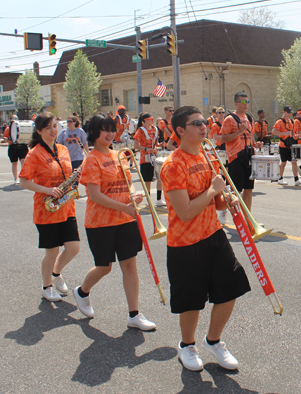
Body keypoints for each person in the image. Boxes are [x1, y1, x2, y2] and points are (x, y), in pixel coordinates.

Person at [160, 105, 251, 371]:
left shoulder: (206, 156)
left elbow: (218, 203)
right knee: (191, 301)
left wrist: (226, 198)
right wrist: (213, 191)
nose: (203, 127)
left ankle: (214, 341)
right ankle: (187, 346)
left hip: (214, 235)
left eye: (203, 122)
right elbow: (185, 212)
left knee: (231, 288)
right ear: (180, 130)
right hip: (185, 243)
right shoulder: (173, 165)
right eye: (196, 123)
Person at [73, 113, 156, 331]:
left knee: (129, 265)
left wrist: (134, 196)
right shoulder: (91, 159)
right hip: (100, 223)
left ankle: (134, 314)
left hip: (126, 219)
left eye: (112, 129)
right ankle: (82, 291)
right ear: (94, 133)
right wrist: (125, 207)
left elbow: (128, 185)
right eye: (104, 129)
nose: (110, 134)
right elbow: (95, 195)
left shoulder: (120, 155)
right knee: (105, 267)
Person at [19, 112, 80, 302]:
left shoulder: (63, 149)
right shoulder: (34, 153)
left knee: (74, 247)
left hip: (66, 206)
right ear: (39, 131)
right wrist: (47, 189)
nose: (53, 130)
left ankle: (56, 273)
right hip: (46, 209)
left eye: (54, 126)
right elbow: (23, 181)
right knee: (52, 251)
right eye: (48, 127)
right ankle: (46, 287)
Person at [221, 92, 262, 210]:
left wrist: (255, 144)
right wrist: (239, 132)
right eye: (243, 102)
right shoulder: (229, 119)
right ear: (236, 103)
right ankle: (230, 213)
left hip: (249, 156)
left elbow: (251, 136)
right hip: (236, 158)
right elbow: (223, 138)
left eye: (247, 102)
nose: (245, 104)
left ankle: (248, 219)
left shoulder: (249, 118)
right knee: (236, 191)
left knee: (249, 189)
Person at [272, 106, 301, 186]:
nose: (289, 114)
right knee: (283, 163)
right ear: (284, 111)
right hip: (283, 145)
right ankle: (280, 178)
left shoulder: (291, 121)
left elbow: (292, 132)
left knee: (294, 162)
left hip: (290, 145)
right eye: (288, 112)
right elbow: (274, 131)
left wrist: (296, 136)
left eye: (290, 112)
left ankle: (296, 179)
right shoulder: (279, 121)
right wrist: (284, 134)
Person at [133, 113, 159, 202]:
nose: (152, 120)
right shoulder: (141, 130)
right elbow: (135, 145)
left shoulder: (155, 129)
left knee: (158, 178)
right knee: (147, 180)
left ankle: (158, 199)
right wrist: (145, 149)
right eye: (149, 118)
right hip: (145, 158)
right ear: (144, 120)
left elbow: (156, 142)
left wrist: (158, 148)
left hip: (154, 157)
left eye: (152, 118)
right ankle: (149, 200)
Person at [3, 115, 29, 184]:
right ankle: (16, 179)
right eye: (13, 118)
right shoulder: (8, 128)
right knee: (14, 163)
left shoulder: (21, 127)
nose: (15, 119)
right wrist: (8, 139)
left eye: (16, 118)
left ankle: (24, 177)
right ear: (11, 119)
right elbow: (5, 137)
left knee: (23, 162)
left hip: (22, 146)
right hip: (13, 147)